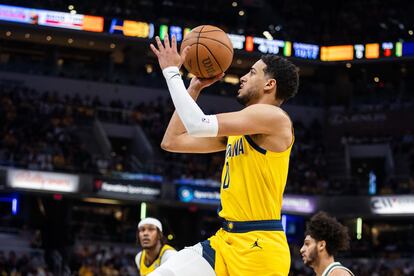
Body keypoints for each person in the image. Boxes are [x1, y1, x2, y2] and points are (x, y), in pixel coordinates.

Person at [149, 34, 299, 276]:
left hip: (259, 248)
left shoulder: (274, 118)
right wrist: (193, 88)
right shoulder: (242, 129)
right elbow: (172, 141)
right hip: (224, 241)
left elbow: (197, 124)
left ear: (269, 84)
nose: (242, 77)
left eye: (252, 73)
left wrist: (171, 72)